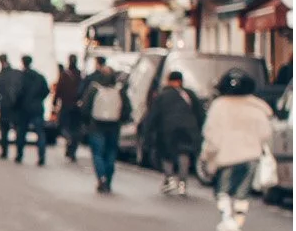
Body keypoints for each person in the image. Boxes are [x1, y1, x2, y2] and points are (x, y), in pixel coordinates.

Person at [197, 69, 277, 231]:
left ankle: (227, 220)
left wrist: (207, 155)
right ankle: (237, 229)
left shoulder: (219, 106)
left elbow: (211, 133)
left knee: (223, 192)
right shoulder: (258, 107)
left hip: (226, 156)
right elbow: (265, 133)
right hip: (251, 155)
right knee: (242, 194)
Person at [138, 68, 202, 197]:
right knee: (184, 153)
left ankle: (170, 178)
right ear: (181, 81)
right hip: (188, 128)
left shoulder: (162, 95)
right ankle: (183, 183)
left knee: (166, 154)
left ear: (169, 81)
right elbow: (200, 113)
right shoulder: (189, 95)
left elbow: (153, 115)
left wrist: (147, 132)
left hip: (167, 129)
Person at [76, 55, 129, 194]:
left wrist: (87, 122)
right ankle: (109, 179)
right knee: (111, 152)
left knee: (97, 153)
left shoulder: (94, 89)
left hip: (97, 125)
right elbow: (127, 109)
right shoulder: (119, 90)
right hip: (113, 125)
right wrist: (121, 120)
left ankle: (101, 178)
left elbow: (85, 108)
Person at [9, 55, 48, 166]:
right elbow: (46, 90)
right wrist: (38, 99)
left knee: (21, 133)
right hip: (36, 108)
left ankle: (19, 155)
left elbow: (17, 93)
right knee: (40, 133)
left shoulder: (21, 77)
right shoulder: (39, 77)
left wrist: (15, 105)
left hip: (23, 109)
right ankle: (41, 156)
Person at [53, 58, 86, 163]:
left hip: (66, 105)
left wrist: (54, 102)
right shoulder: (80, 75)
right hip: (77, 106)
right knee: (75, 129)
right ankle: (72, 150)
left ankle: (69, 140)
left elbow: (58, 89)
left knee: (63, 126)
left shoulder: (64, 75)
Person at [0, 55, 19, 159]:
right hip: (15, 105)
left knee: (4, 129)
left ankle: (4, 151)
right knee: (16, 129)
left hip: (4, 105)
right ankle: (18, 152)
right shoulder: (15, 74)